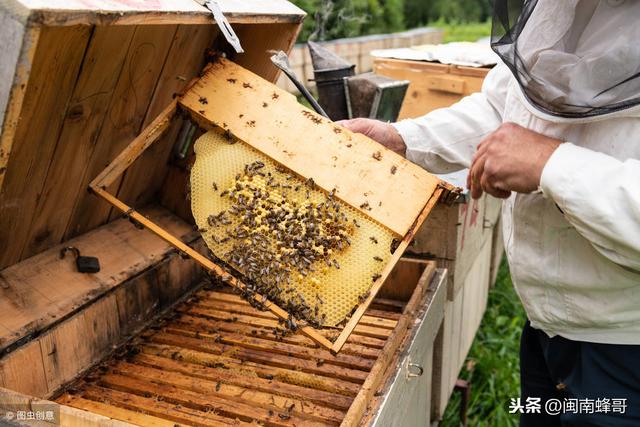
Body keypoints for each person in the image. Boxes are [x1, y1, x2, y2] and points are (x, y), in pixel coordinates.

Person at [338, 1, 640, 426]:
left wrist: (552, 164)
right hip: (546, 329)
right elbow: (502, 109)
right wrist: (402, 138)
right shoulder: (561, 9)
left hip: (626, 356)